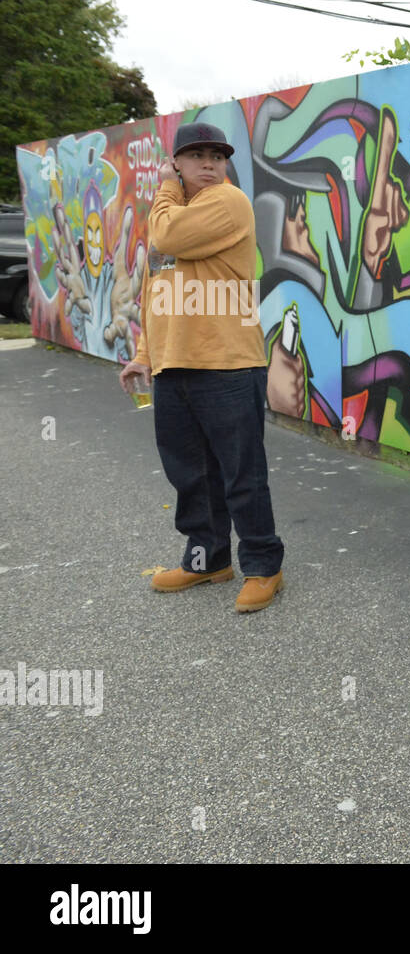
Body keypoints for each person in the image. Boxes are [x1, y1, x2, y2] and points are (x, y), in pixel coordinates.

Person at [118, 122, 285, 612]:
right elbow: (157, 294)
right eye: (196, 156)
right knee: (190, 475)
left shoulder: (227, 202)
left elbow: (168, 233)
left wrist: (168, 188)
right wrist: (146, 356)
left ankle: (263, 565)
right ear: (178, 159)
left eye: (217, 155)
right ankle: (206, 559)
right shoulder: (174, 213)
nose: (209, 163)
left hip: (227, 365)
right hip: (175, 367)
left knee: (241, 473)